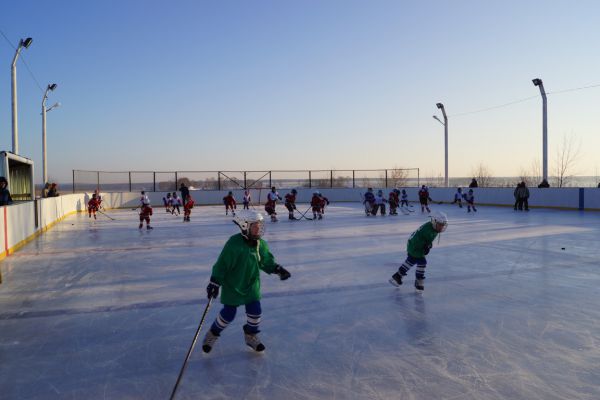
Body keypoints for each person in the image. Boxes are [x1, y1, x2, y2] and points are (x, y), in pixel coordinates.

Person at [201, 210, 291, 353]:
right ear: (244, 226)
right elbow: (222, 265)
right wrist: (214, 281)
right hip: (233, 285)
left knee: (255, 311)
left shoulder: (260, 244)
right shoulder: (234, 244)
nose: (258, 228)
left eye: (259, 225)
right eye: (255, 225)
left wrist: (277, 269)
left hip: (251, 284)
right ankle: (212, 334)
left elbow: (265, 261)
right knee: (228, 314)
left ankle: (250, 335)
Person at [389, 211, 448, 291]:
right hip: (415, 246)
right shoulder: (427, 229)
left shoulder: (434, 229)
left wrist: (428, 245)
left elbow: (428, 240)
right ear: (434, 222)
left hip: (416, 246)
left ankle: (398, 276)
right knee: (421, 262)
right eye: (440, 225)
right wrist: (425, 246)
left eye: (443, 225)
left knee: (411, 261)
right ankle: (418, 281)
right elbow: (417, 239)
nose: (441, 227)